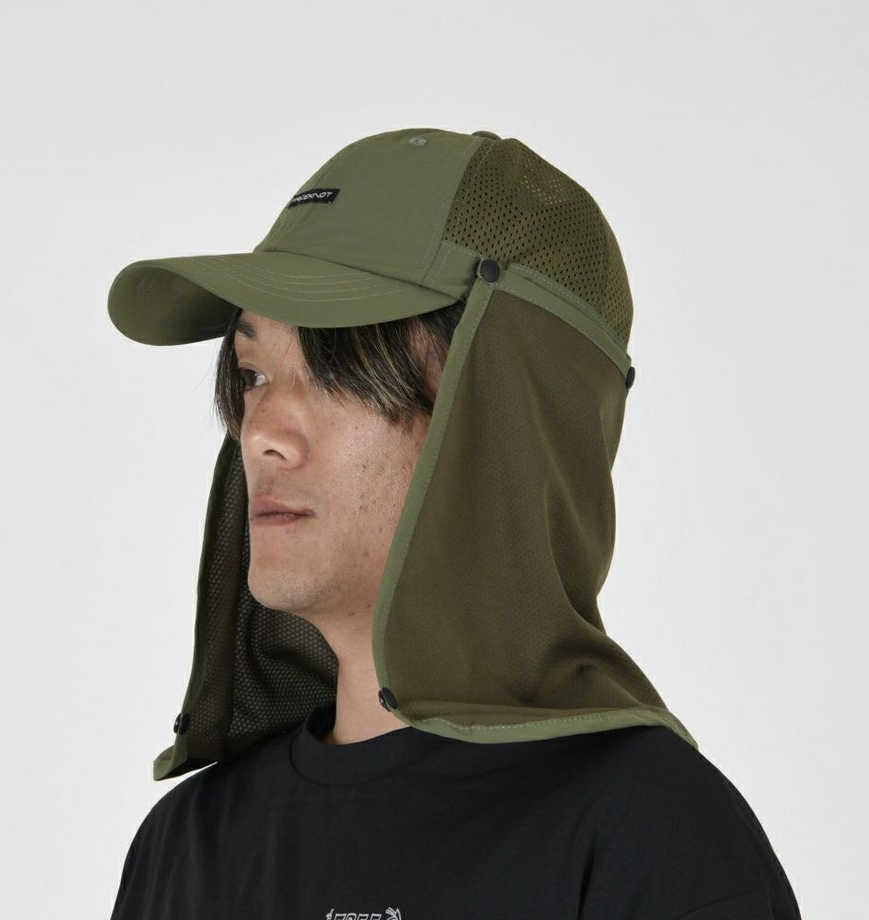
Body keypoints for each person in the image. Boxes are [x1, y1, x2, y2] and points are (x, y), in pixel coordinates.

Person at [106, 128, 801, 918]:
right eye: (255, 373)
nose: (261, 432)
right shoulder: (185, 848)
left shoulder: (656, 837)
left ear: (510, 410)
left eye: (339, 372)